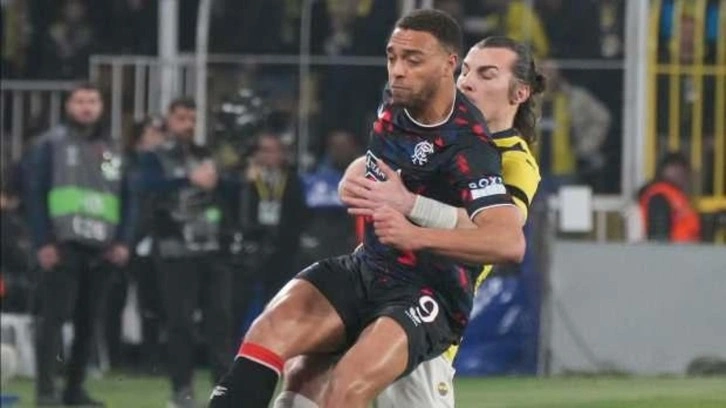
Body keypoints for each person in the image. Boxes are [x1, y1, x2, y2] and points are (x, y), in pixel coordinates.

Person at [209, 10, 525, 408]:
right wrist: (354, 175)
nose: (398, 70)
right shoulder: (393, 105)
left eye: (413, 60)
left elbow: (508, 242)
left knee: (345, 388)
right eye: (393, 57)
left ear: (448, 65)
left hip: (428, 291)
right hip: (368, 268)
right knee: (267, 335)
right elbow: (386, 164)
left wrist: (415, 233)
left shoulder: (471, 146)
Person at [24, 83, 137, 406]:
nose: (86, 107)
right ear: (68, 106)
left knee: (88, 323)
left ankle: (74, 390)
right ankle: (46, 391)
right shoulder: (50, 145)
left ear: (101, 106)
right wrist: (42, 241)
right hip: (62, 245)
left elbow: (128, 197)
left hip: (102, 247)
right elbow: (34, 194)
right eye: (80, 101)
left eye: (92, 101)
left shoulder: (112, 149)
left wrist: (124, 241)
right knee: (53, 319)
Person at [137, 98, 232, 407]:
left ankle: (223, 391)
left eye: (192, 118)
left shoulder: (204, 154)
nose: (188, 125)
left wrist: (221, 180)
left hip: (209, 246)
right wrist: (187, 179)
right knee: (180, 323)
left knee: (219, 321)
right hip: (174, 249)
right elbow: (145, 186)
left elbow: (224, 190)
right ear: (169, 120)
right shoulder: (155, 156)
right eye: (181, 118)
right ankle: (182, 391)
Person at [228, 131, 307, 342]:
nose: (270, 156)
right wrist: (246, 184)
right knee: (241, 304)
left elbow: (299, 213)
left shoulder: (291, 180)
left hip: (283, 249)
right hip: (251, 248)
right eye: (265, 151)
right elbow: (234, 210)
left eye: (275, 151)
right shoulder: (244, 180)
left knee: (278, 302)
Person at [638, 152, 701, 242]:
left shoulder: (676, 195)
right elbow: (658, 235)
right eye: (676, 168)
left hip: (684, 247)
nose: (680, 174)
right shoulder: (660, 195)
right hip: (674, 249)